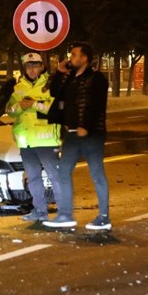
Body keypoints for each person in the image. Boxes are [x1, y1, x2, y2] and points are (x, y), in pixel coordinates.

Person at [44, 42, 111, 231]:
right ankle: (65, 214)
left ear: (84, 58)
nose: (71, 57)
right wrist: (59, 72)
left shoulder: (96, 78)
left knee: (97, 174)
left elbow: (97, 105)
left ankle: (104, 216)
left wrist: (86, 126)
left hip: (91, 134)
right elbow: (54, 92)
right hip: (72, 134)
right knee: (63, 171)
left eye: (74, 55)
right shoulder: (70, 78)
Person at [7, 52, 62, 223]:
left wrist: (34, 104)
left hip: (46, 140)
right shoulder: (18, 87)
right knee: (33, 178)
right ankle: (39, 211)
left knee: (55, 177)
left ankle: (64, 212)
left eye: (35, 65)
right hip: (26, 142)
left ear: (42, 67)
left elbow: (54, 109)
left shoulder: (51, 85)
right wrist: (19, 106)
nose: (31, 69)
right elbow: (9, 111)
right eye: (29, 66)